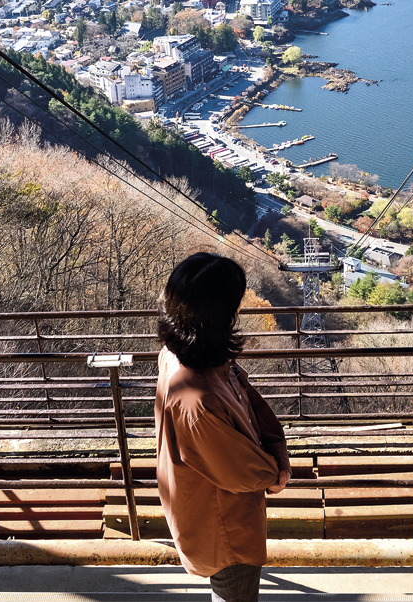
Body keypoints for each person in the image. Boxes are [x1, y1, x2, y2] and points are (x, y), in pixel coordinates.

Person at [154, 253, 292, 602]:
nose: (238, 313)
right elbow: (240, 470)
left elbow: (244, 393)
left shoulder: (187, 352)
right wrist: (276, 471)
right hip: (224, 526)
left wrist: (275, 446)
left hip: (214, 509)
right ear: (218, 316)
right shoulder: (196, 398)